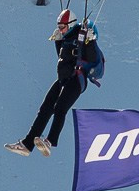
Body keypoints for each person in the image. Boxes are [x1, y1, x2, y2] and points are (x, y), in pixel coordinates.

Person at [6, 10, 102, 157]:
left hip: (77, 79)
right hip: (63, 79)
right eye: (59, 26)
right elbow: (63, 59)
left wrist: (91, 41)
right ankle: (27, 144)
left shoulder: (82, 37)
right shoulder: (66, 39)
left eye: (62, 26)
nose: (60, 29)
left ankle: (50, 141)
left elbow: (91, 57)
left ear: (70, 25)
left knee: (60, 108)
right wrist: (58, 42)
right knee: (45, 109)